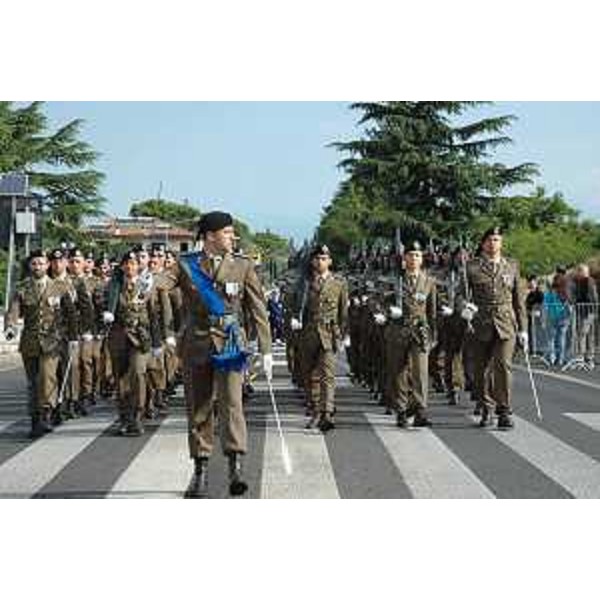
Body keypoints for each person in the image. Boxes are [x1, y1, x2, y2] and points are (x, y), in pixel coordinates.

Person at [162, 211, 272, 498]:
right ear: (210, 236)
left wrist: (266, 348)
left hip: (231, 344)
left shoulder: (243, 266)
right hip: (197, 343)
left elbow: (257, 308)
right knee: (198, 407)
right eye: (226, 232)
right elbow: (164, 281)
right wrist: (149, 284)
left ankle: (236, 467)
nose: (231, 237)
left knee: (232, 404)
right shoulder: (187, 265)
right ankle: (200, 472)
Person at [4, 250, 78, 438]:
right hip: (29, 341)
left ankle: (46, 414)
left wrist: (73, 337)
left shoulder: (60, 287)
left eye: (41, 263)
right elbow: (13, 310)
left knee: (47, 377)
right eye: (34, 263)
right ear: (30, 266)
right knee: (33, 383)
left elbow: (70, 314)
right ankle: (35, 418)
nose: (38, 267)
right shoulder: (22, 287)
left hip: (52, 342)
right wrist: (11, 326)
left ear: (47, 266)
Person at [459, 226, 526, 429]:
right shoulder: (471, 267)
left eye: (497, 239)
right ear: (483, 243)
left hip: (506, 323)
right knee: (482, 369)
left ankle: (504, 410)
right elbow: (461, 295)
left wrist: (523, 329)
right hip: (481, 323)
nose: (493, 243)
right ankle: (486, 408)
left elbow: (519, 300)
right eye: (489, 240)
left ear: (501, 243)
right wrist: (465, 307)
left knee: (504, 366)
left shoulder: (512, 266)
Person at [102, 250, 162, 436]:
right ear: (122, 267)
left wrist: (158, 342)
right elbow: (105, 307)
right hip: (119, 337)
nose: (130, 267)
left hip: (140, 338)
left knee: (138, 374)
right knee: (121, 380)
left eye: (133, 263)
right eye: (126, 264)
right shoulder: (113, 287)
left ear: (138, 266)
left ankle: (137, 416)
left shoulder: (146, 287)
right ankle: (124, 416)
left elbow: (153, 316)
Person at [381, 240, 437, 428]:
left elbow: (432, 311)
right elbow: (377, 300)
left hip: (419, 331)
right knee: (398, 373)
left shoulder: (428, 281)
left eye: (417, 255)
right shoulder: (394, 279)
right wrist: (389, 310)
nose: (414, 258)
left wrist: (433, 334)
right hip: (398, 330)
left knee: (420, 372)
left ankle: (420, 409)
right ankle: (401, 410)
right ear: (404, 258)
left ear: (422, 259)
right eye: (411, 255)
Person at [293, 244, 349, 432]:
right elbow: (295, 307)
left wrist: (343, 335)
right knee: (309, 376)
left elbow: (343, 313)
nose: (320, 262)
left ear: (330, 261)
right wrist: (294, 322)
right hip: (308, 333)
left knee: (328, 375)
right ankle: (315, 409)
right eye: (317, 258)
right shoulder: (304, 283)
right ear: (312, 261)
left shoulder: (338, 283)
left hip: (328, 334)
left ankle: (326, 413)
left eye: (324, 259)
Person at [569, 263, 598, 368]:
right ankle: (586, 358)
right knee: (585, 334)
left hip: (587, 312)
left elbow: (591, 297)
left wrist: (594, 309)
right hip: (584, 311)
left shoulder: (589, 282)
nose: (577, 274)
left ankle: (584, 357)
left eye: (579, 271)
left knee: (583, 334)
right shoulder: (579, 282)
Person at [543, 274, 572, 367]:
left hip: (552, 317)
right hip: (564, 318)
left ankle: (552, 358)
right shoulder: (565, 292)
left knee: (551, 339)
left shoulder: (551, 292)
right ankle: (560, 359)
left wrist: (543, 317)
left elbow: (545, 304)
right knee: (561, 339)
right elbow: (570, 304)